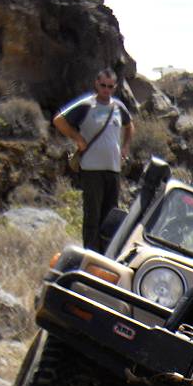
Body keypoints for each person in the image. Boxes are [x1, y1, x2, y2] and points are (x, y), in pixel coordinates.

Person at [53, 68, 134, 252]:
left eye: (110, 86)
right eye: (103, 85)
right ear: (96, 84)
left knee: (110, 216)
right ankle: (90, 253)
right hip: (92, 170)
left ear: (115, 87)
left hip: (113, 169)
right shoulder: (86, 105)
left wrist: (126, 146)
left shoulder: (118, 107)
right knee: (92, 215)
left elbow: (130, 126)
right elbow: (59, 120)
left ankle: (106, 253)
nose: (106, 89)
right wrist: (78, 138)